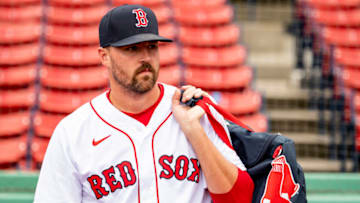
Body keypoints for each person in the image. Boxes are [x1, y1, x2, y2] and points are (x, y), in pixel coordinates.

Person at [34, 4, 254, 203]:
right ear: (104, 56)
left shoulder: (195, 110)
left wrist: (195, 132)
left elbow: (241, 199)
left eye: (152, 47)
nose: (145, 57)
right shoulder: (73, 132)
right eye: (132, 49)